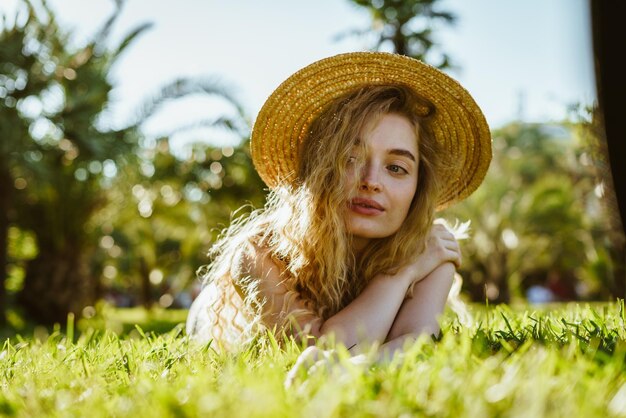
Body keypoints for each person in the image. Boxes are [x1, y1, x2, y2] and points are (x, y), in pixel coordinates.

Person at [186, 52, 491, 360]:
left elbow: (414, 343)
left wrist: (355, 369)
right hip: (211, 318)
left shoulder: (431, 248)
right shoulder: (258, 252)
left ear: (418, 188)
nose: (371, 181)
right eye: (350, 158)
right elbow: (321, 350)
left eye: (396, 168)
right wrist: (402, 273)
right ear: (319, 170)